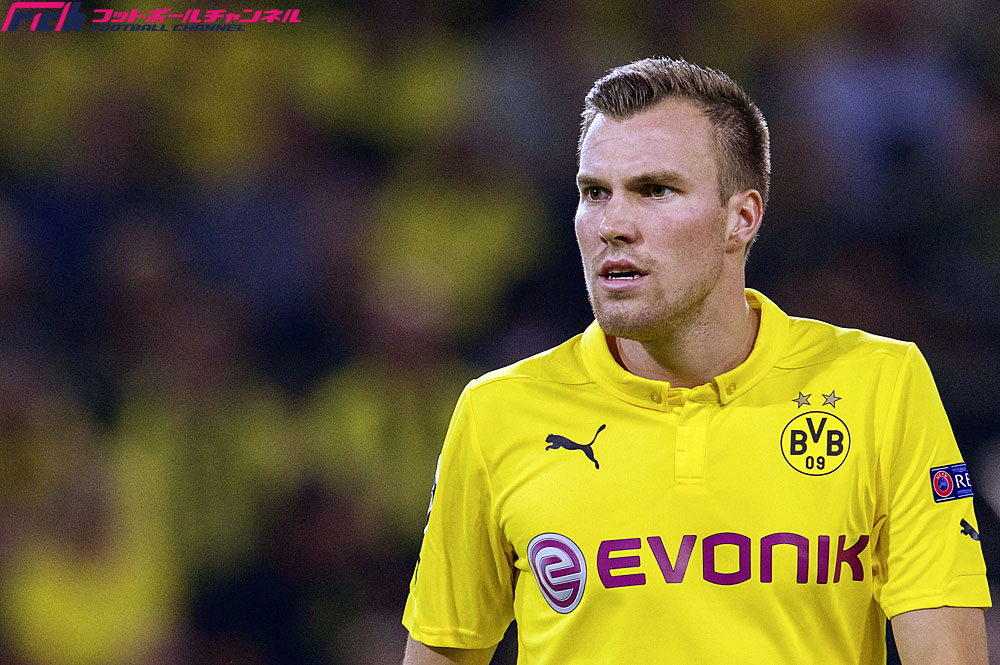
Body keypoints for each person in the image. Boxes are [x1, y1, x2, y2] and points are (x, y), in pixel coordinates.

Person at [400, 57, 991, 664]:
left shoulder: (880, 385)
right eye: (595, 193)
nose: (612, 225)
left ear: (741, 218)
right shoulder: (496, 412)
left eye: (655, 190)